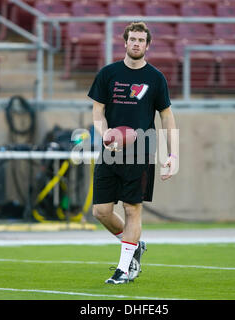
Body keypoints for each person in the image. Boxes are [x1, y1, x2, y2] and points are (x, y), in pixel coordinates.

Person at [88, 22, 177, 284]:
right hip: (111, 150)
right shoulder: (108, 73)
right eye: (132, 39)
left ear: (148, 45)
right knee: (101, 211)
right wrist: (105, 135)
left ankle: (124, 269)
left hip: (141, 151)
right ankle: (134, 245)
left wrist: (173, 155)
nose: (136, 43)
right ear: (125, 42)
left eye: (141, 40)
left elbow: (167, 116)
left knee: (131, 208)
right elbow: (97, 112)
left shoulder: (155, 78)